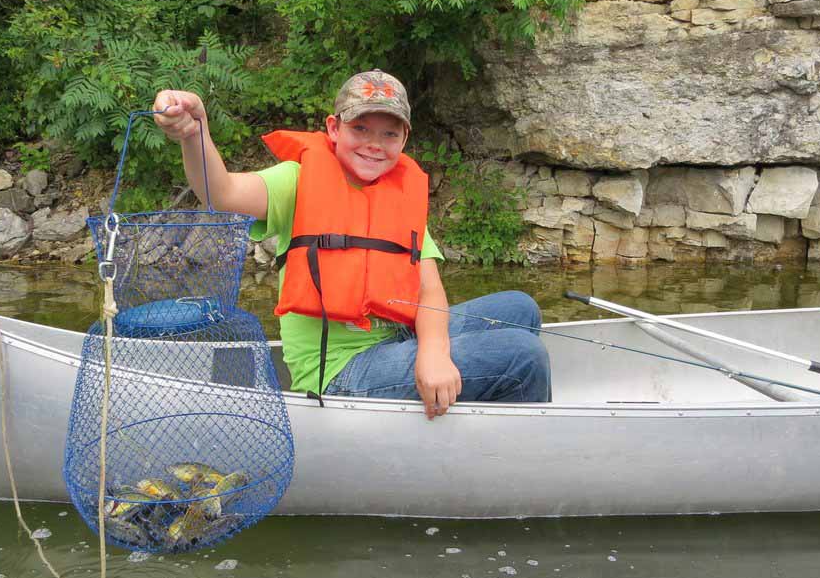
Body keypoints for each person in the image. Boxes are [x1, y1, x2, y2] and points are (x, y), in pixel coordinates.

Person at [152, 69, 550, 418]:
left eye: (388, 133)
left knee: (520, 308)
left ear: (404, 139)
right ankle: (522, 455)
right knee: (522, 354)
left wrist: (433, 352)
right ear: (334, 128)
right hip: (341, 370)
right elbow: (221, 194)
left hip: (395, 338)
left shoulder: (399, 194)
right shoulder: (297, 180)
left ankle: (468, 413)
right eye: (361, 129)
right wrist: (194, 133)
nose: (374, 144)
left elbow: (429, 290)